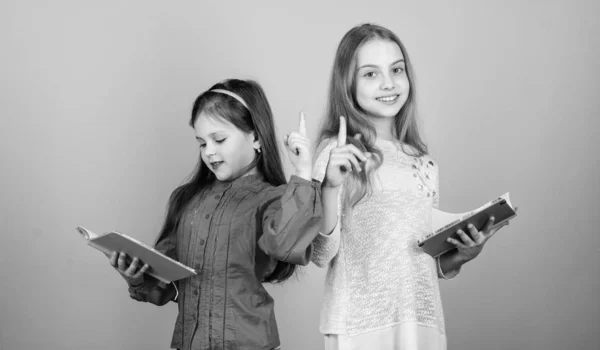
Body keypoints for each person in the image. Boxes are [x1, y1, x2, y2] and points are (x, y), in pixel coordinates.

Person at [311, 23, 510, 350]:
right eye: (371, 74)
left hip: (422, 322)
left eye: (397, 69)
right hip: (360, 325)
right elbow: (321, 254)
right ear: (347, 84)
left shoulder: (423, 163)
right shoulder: (338, 153)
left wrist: (463, 255)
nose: (388, 83)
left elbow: (422, 261)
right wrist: (330, 188)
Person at [108, 79, 323, 350]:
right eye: (201, 143)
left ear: (256, 137)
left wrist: (303, 174)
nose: (209, 152)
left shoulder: (275, 198)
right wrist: (136, 275)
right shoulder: (188, 201)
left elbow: (284, 244)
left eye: (219, 139)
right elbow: (167, 283)